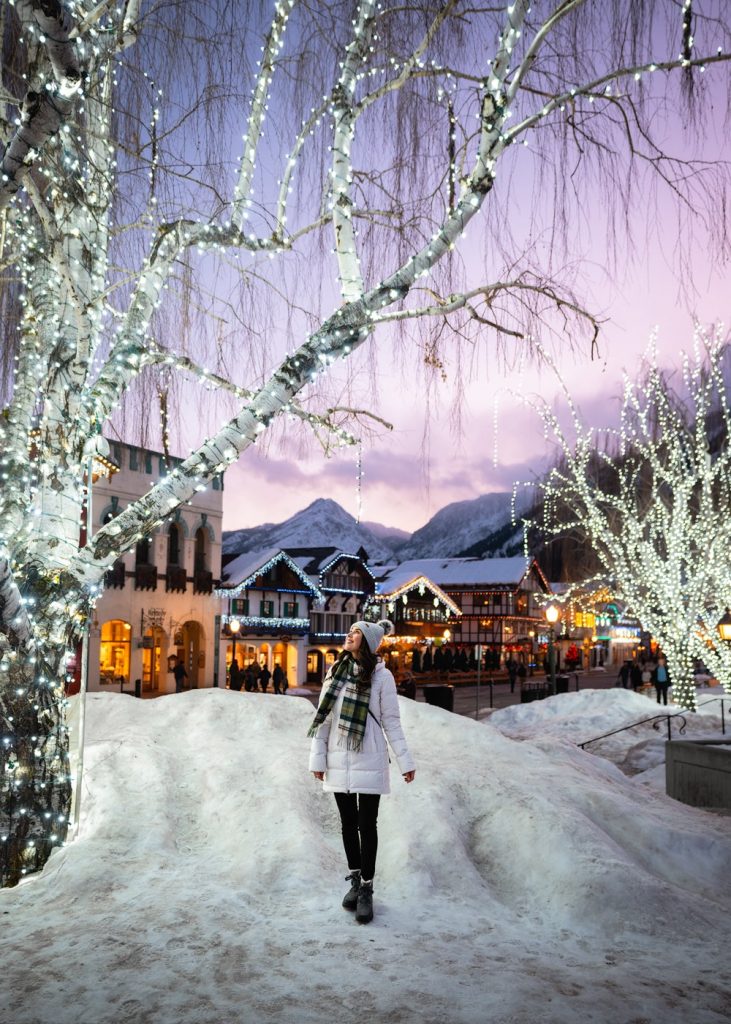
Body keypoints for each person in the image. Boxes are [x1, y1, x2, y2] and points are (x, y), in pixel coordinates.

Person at [308, 619, 415, 925]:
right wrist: (318, 760)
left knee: (367, 825)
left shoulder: (383, 677)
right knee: (347, 824)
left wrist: (406, 761)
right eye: (350, 630)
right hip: (338, 755)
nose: (349, 635)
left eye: (355, 632)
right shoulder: (334, 672)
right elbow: (323, 718)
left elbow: (392, 721)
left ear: (367, 641)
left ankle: (367, 888)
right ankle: (355, 881)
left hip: (370, 755)